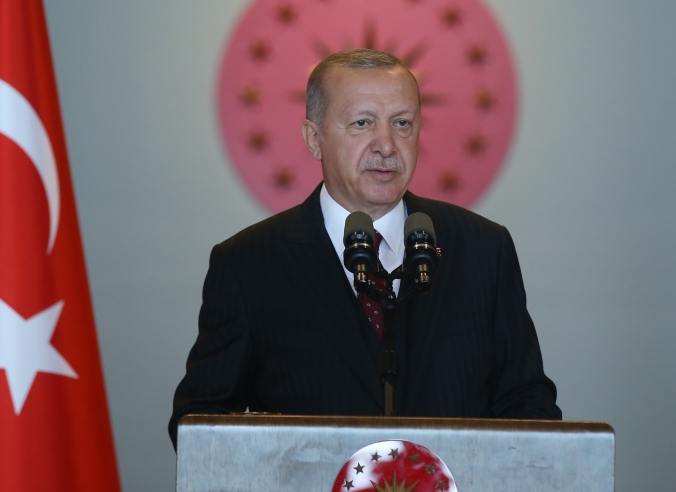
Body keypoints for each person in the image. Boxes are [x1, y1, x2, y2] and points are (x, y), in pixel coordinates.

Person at [169, 48, 560, 447]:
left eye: (402, 123)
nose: (387, 146)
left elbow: (527, 402)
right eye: (362, 123)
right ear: (314, 139)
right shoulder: (248, 264)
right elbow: (201, 423)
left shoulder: (483, 249)